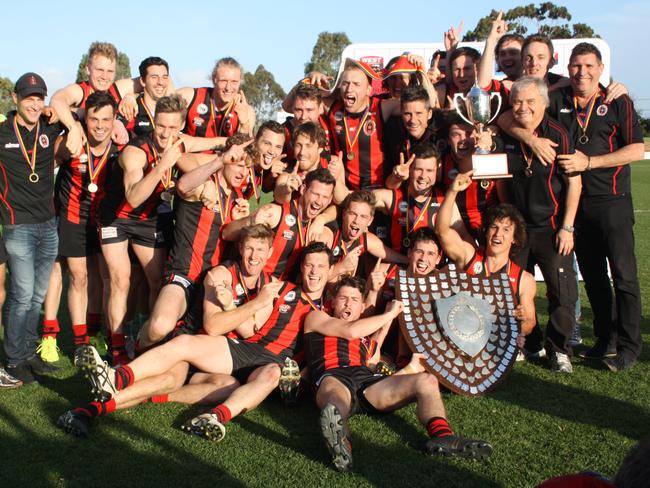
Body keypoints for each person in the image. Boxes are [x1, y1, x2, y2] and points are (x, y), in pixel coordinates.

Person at [72, 242, 333, 442]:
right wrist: (244, 303)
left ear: (331, 271)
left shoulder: (327, 312)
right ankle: (103, 394)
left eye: (321, 266)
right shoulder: (275, 287)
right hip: (236, 349)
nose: (314, 272)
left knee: (239, 382)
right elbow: (249, 329)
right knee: (175, 363)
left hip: (262, 367)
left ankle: (213, 418)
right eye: (310, 265)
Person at [56, 224, 279, 437]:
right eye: (249, 247)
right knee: (168, 379)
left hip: (216, 359)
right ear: (240, 248)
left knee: (228, 386)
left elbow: (249, 330)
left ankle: (137, 392)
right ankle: (89, 408)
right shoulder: (221, 275)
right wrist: (253, 305)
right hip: (190, 342)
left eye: (260, 249)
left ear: (270, 253)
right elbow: (213, 326)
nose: (254, 255)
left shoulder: (268, 286)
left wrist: (241, 305)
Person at [305, 276, 493, 472]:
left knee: (426, 380)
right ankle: (342, 443)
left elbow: (377, 363)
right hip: (333, 375)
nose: (347, 304)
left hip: (365, 381)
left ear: (362, 307)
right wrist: (391, 314)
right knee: (335, 401)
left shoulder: (366, 341)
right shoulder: (317, 317)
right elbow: (350, 331)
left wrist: (411, 368)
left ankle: (443, 436)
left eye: (354, 300)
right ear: (333, 301)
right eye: (343, 298)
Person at [549, 43, 645, 372]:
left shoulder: (617, 100)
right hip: (577, 205)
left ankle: (631, 345)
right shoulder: (558, 99)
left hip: (613, 202)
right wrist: (557, 84)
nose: (582, 72)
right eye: (575, 66)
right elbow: (527, 93)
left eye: (589, 66)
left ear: (600, 68)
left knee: (624, 276)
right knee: (593, 279)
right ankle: (606, 338)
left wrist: (589, 162)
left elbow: (635, 149)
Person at [136, 135, 253, 348]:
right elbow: (183, 186)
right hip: (184, 275)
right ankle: (133, 348)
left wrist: (242, 222)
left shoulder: (238, 200)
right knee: (160, 325)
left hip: (213, 285)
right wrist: (220, 160)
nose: (242, 172)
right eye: (237, 164)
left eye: (247, 167)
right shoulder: (205, 185)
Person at [499, 76, 581, 372]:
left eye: (530, 101)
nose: (523, 107)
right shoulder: (506, 131)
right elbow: (500, 181)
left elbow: (574, 183)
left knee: (562, 291)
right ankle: (528, 342)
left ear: (544, 103)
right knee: (513, 288)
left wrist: (567, 226)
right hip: (518, 230)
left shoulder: (559, 133)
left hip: (551, 227)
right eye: (517, 101)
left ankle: (559, 349)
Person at [40, 92, 121, 362]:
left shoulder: (121, 148)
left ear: (114, 120)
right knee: (79, 277)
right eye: (94, 119)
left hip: (104, 222)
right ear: (85, 119)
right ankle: (78, 342)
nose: (99, 125)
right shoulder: (72, 142)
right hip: (72, 218)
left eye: (105, 119)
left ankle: (95, 333)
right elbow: (44, 166)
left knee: (101, 278)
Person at [0, 73, 63, 383]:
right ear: (16, 99)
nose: (35, 104)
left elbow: (74, 114)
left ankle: (26, 353)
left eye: (40, 98)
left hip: (48, 224)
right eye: (29, 98)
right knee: (21, 295)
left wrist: (58, 110)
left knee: (37, 297)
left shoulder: (49, 129)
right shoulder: (1, 133)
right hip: (18, 226)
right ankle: (13, 359)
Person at [435, 174, 537, 344]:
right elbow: (442, 232)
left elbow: (530, 321)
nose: (498, 234)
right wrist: (452, 192)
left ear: (515, 238)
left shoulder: (524, 279)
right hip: (458, 338)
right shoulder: (470, 256)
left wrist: (521, 326)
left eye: (506, 230)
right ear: (486, 231)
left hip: (494, 348)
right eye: (494, 227)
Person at [222, 168, 336, 280]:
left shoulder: (318, 224)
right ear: (303, 190)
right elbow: (226, 234)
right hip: (252, 283)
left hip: (284, 291)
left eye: (325, 197)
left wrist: (321, 219)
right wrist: (250, 221)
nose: (319, 201)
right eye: (315, 194)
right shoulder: (276, 212)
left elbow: (344, 204)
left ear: (330, 199)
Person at [372, 142, 470, 253]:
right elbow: (357, 200)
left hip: (434, 268)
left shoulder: (444, 200)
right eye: (418, 169)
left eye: (429, 171)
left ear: (437, 171)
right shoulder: (393, 196)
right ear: (410, 169)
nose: (423, 176)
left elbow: (463, 236)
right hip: (399, 266)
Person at [50, 42, 140, 155]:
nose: (105, 76)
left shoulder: (118, 89)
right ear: (88, 69)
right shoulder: (81, 91)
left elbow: (157, 82)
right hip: (80, 163)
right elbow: (57, 100)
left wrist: (131, 96)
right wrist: (74, 127)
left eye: (110, 71)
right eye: (100, 70)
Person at [177, 57, 255, 138]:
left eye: (234, 82)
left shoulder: (247, 111)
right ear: (214, 79)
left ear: (240, 82)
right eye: (223, 81)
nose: (228, 87)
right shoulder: (190, 96)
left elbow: (245, 148)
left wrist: (244, 125)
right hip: (189, 150)